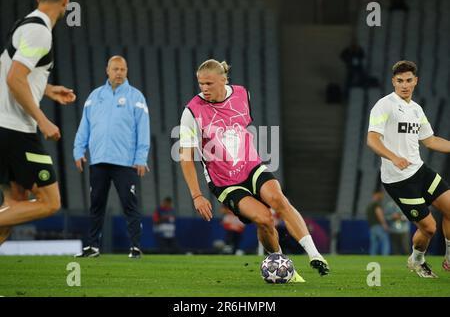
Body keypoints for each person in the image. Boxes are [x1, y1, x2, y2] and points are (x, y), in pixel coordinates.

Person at [179, 59, 330, 282]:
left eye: (209, 83)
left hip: (251, 166)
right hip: (224, 181)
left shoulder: (242, 95)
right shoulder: (191, 112)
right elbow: (185, 157)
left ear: (223, 80)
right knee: (265, 219)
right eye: (201, 84)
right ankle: (281, 264)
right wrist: (197, 195)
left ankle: (315, 255)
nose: (204, 88)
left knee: (279, 200)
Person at [0, 0, 76, 245]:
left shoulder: (25, 24)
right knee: (50, 202)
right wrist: (43, 120)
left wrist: (47, 89)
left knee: (13, 209)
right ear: (65, 0)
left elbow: (10, 71)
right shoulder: (39, 31)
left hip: (6, 126)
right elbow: (14, 79)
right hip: (15, 129)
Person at [367, 60, 450, 277]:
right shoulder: (384, 105)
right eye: (400, 80)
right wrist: (393, 157)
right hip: (398, 180)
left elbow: (430, 141)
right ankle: (417, 259)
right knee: (429, 228)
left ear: (416, 81)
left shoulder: (416, 109)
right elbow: (372, 139)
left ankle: (449, 256)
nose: (404, 85)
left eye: (409, 80)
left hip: (419, 170)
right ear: (393, 81)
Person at [73, 56, 150, 259]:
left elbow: (143, 130)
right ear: (107, 70)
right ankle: (93, 247)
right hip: (98, 160)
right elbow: (85, 127)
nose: (119, 72)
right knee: (96, 205)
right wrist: (78, 151)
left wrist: (141, 158)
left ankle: (135, 247)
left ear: (127, 71)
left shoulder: (136, 97)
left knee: (129, 205)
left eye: (123, 69)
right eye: (115, 69)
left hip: (125, 162)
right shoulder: (94, 96)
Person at [366, 189, 390, 256]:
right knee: (385, 242)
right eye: (381, 194)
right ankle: (385, 257)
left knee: (374, 244)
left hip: (372, 227)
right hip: (378, 226)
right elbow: (379, 214)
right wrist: (384, 224)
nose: (382, 196)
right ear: (377, 194)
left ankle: (372, 258)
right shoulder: (376, 204)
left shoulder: (369, 205)